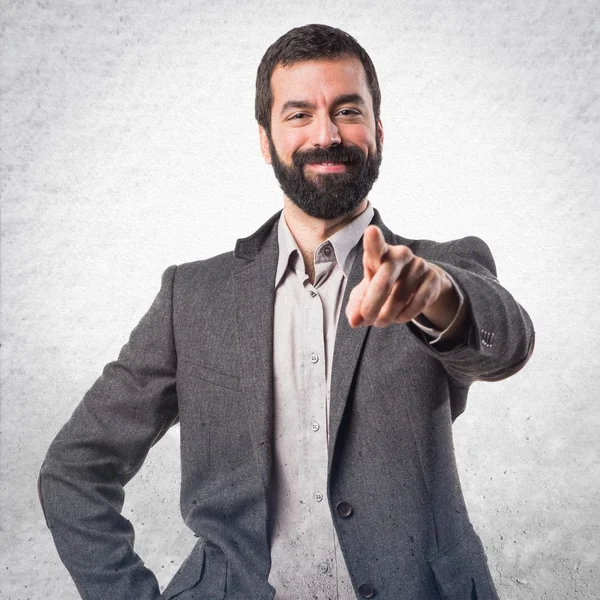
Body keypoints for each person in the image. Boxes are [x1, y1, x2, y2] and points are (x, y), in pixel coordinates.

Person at [39, 24, 535, 600]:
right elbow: (76, 469)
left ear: (379, 128)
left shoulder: (440, 268)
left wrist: (436, 297)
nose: (326, 135)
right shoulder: (193, 297)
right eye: (299, 114)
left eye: (347, 111)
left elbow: (509, 343)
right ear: (265, 137)